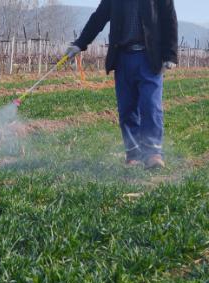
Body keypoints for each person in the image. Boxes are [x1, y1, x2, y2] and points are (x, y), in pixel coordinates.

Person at [66, 0, 178, 169]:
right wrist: (79, 44)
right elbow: (99, 18)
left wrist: (170, 55)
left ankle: (153, 153)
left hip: (149, 57)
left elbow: (169, 19)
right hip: (123, 57)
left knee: (150, 105)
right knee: (127, 109)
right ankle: (133, 154)